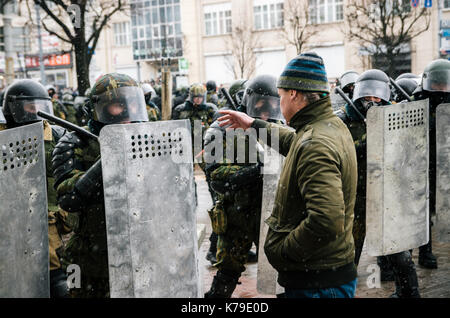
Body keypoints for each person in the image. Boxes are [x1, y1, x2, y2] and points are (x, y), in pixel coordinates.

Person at [218, 52, 358, 298]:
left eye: (281, 96)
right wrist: (252, 124)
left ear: (293, 94)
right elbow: (294, 140)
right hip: (324, 274)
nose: (279, 105)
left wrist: (282, 252)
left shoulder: (316, 143)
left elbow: (326, 221)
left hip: (317, 283)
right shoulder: (328, 126)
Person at [51, 73, 149, 298]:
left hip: (138, 246)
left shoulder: (145, 137)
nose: (126, 112)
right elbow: (68, 199)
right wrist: (108, 158)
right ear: (100, 108)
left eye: (132, 104)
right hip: (88, 257)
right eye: (117, 105)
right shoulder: (73, 142)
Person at [337, 69, 420, 298]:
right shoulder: (344, 119)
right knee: (347, 255)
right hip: (357, 198)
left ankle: (408, 293)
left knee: (400, 254)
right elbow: (335, 154)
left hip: (386, 196)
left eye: (376, 96)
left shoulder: (395, 116)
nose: (371, 101)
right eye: (366, 96)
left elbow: (412, 150)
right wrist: (363, 146)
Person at [204, 74, 284, 298]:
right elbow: (217, 177)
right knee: (227, 275)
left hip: (271, 214)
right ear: (249, 101)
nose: (267, 110)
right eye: (261, 104)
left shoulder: (277, 126)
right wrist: (256, 171)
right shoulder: (222, 129)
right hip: (236, 216)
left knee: (279, 275)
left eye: (273, 104)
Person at [2, 79, 73, 298]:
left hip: (56, 221)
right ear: (14, 108)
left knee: (66, 278)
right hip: (15, 221)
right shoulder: (4, 138)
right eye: (30, 107)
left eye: (41, 107)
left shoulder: (59, 136)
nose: (37, 113)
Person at [411, 59, 450, 269]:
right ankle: (416, 255)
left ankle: (425, 253)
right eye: (437, 83)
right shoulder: (415, 102)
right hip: (417, 166)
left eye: (444, 83)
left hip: (441, 166)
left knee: (429, 213)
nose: (441, 88)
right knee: (417, 213)